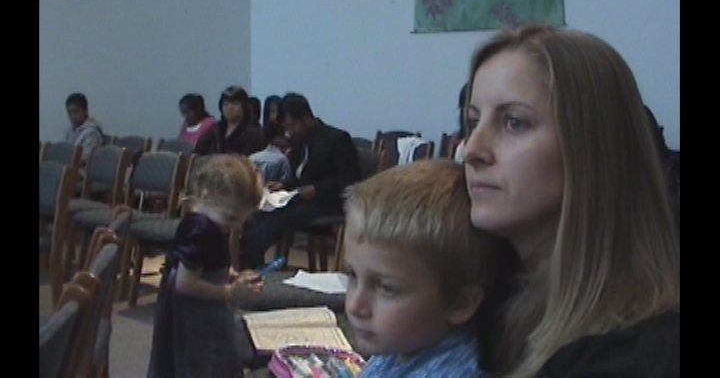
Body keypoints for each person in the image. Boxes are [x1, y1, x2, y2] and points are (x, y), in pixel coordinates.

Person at [462, 24, 680, 376]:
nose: (471, 150)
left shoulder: (634, 356)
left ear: (592, 147)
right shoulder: (488, 300)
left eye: (514, 122)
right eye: (473, 122)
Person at [343, 159, 518, 377]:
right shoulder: (401, 344)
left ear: (459, 303)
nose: (355, 306)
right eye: (352, 275)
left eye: (387, 288)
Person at [146, 154, 265, 378]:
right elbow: (185, 284)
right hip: (192, 313)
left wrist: (230, 274)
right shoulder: (199, 230)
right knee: (199, 362)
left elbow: (209, 263)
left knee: (215, 356)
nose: (235, 227)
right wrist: (230, 292)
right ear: (206, 195)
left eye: (241, 221)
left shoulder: (213, 222)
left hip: (205, 306)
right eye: (231, 218)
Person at [237, 92, 361, 269]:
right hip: (301, 198)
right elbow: (300, 177)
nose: (289, 132)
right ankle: (247, 257)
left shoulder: (337, 139)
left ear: (306, 118)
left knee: (280, 217)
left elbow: (350, 181)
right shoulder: (299, 140)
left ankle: (250, 261)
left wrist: (316, 189)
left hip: (329, 202)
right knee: (256, 212)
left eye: (292, 125)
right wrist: (284, 185)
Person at [194, 86, 266, 157]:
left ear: (244, 107)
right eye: (226, 104)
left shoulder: (254, 133)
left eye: (235, 104)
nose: (229, 107)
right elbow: (198, 151)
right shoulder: (216, 129)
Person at [64, 92, 104, 165]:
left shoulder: (92, 133)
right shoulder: (70, 131)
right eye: (70, 113)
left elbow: (85, 158)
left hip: (83, 170)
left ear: (85, 111)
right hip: (70, 167)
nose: (73, 116)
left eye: (76, 112)